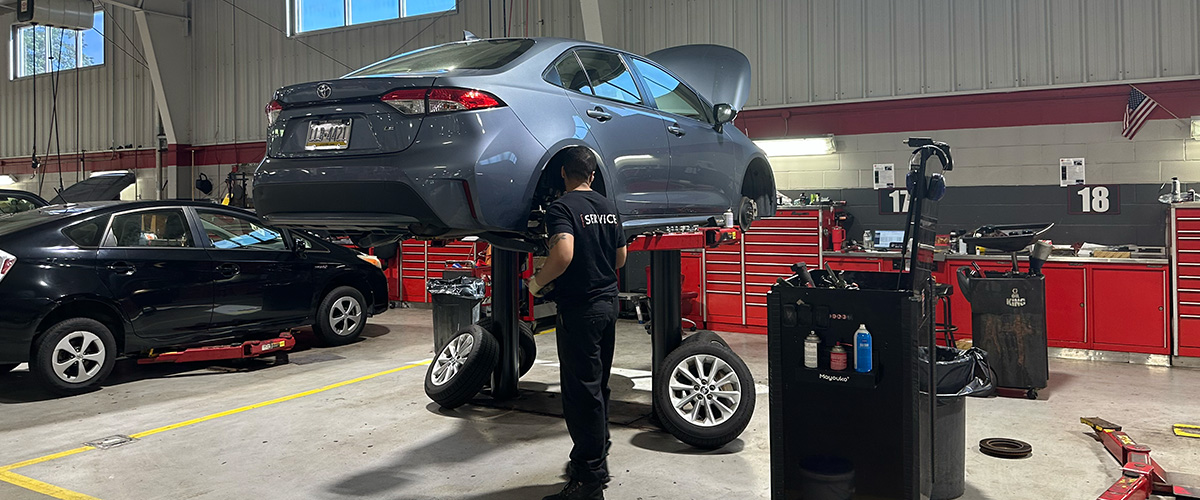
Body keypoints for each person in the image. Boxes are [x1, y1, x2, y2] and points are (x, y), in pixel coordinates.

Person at [527, 147, 627, 500]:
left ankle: (588, 482)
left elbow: (563, 253)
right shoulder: (608, 207)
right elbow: (621, 257)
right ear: (593, 176)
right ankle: (598, 453)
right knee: (598, 386)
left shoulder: (561, 207)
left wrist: (536, 282)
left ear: (563, 175)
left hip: (580, 309)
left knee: (581, 393)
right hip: (608, 303)